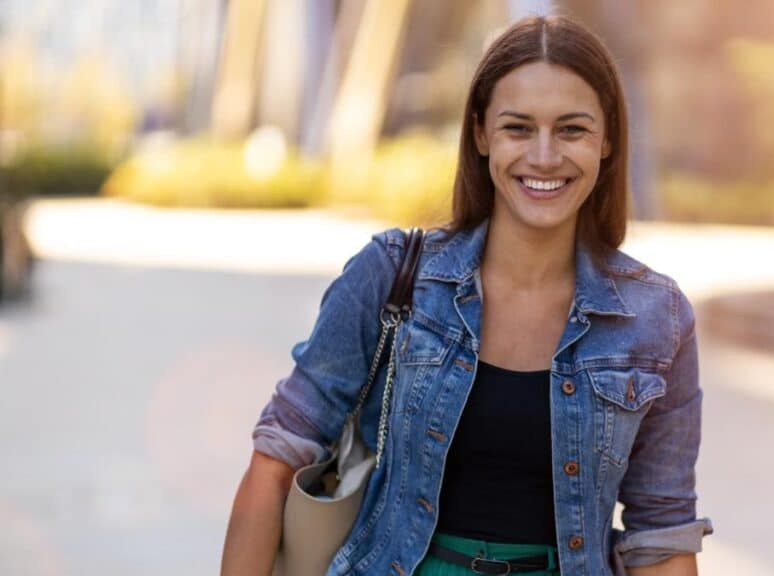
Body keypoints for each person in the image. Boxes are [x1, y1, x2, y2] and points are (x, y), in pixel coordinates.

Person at [222, 14, 711, 576]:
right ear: (481, 134)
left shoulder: (656, 317)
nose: (545, 156)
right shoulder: (391, 275)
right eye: (518, 128)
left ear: (607, 141)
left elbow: (662, 534)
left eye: (572, 129)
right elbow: (277, 459)